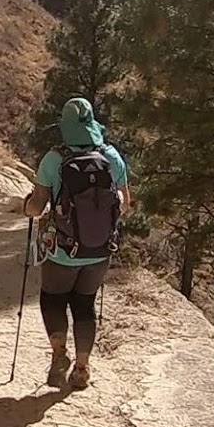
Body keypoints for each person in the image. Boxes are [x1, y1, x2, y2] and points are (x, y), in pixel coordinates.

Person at [22, 97, 130, 390]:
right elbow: (125, 203)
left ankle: (59, 355)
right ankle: (82, 369)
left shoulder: (54, 159)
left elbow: (37, 206)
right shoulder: (111, 156)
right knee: (85, 304)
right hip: (98, 251)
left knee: (53, 298)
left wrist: (27, 207)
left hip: (62, 250)